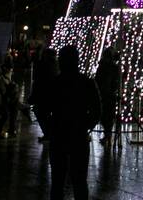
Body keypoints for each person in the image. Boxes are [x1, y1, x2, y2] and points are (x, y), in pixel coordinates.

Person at [42, 45, 100, 200]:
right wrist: (86, 125)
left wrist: (50, 127)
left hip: (59, 134)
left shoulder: (55, 83)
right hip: (78, 135)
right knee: (79, 180)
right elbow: (97, 110)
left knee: (58, 180)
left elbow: (44, 108)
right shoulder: (86, 82)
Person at [30, 47, 58, 143]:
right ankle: (49, 134)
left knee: (42, 114)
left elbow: (38, 82)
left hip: (43, 95)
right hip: (53, 95)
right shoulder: (56, 65)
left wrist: (33, 96)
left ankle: (48, 134)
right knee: (46, 115)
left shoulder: (44, 65)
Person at [94, 47, 120, 146]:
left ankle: (107, 134)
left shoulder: (109, 67)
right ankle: (107, 134)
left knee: (107, 116)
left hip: (106, 94)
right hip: (105, 94)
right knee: (106, 116)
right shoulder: (108, 66)